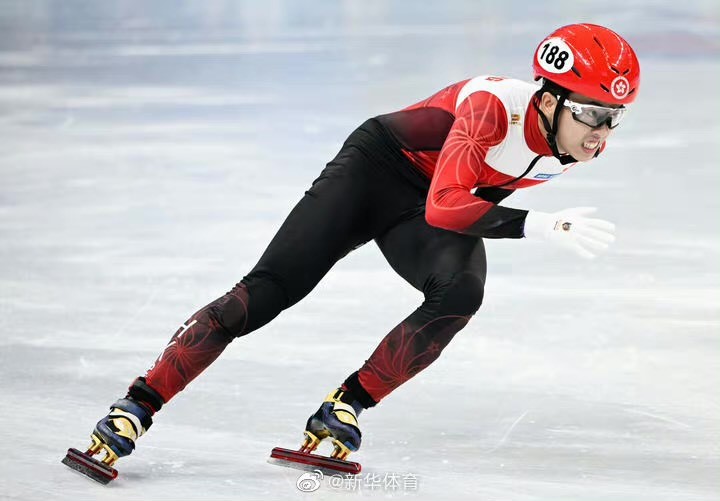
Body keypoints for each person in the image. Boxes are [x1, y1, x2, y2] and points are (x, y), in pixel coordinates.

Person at [81, 23, 640, 468]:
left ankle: (344, 406)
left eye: (614, 117)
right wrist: (541, 226)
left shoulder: (579, 144)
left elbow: (447, 202)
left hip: (425, 201)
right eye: (591, 112)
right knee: (267, 293)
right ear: (548, 98)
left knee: (459, 294)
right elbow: (447, 205)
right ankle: (138, 404)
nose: (602, 132)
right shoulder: (495, 108)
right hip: (373, 173)